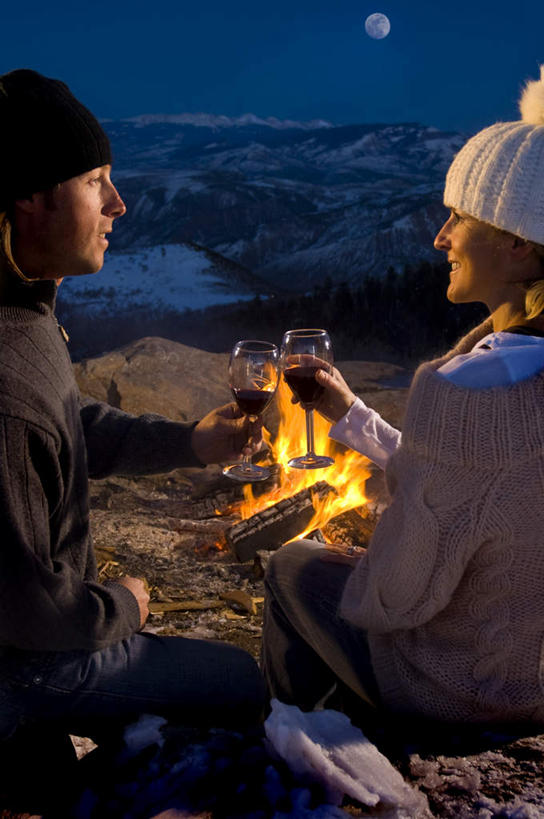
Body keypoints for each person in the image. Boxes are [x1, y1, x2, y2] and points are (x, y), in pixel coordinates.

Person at [0, 69, 264, 811]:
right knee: (244, 683)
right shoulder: (6, 371)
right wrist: (127, 603)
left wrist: (191, 441)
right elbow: (38, 619)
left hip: (32, 647)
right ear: (31, 193)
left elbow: (70, 426)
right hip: (33, 662)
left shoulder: (22, 312)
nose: (118, 204)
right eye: (96, 180)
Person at [262, 65, 544, 728]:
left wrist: (367, 557)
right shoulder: (511, 384)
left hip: (460, 686)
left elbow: (392, 600)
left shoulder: (467, 389)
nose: (441, 237)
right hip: (534, 677)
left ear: (519, 247)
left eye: (460, 217)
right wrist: (353, 419)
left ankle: (306, 755)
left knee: (291, 566)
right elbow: (484, 485)